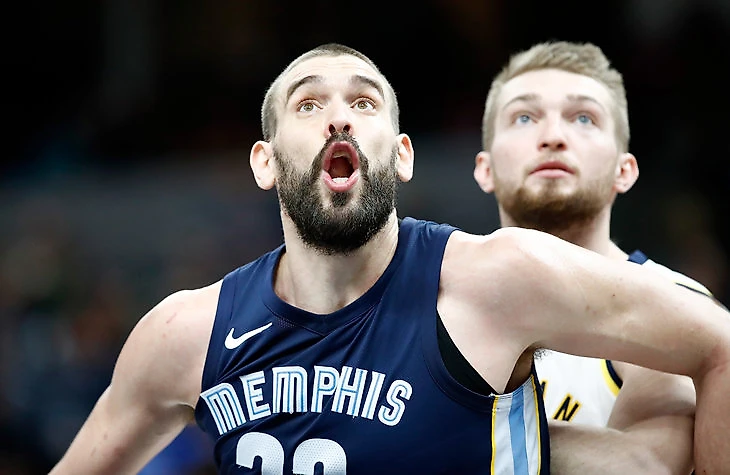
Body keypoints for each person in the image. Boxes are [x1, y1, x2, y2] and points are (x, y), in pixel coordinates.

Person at [50, 43, 730, 475]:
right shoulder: (184, 333)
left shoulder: (498, 278)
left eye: (363, 101)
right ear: (265, 161)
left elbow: (720, 345)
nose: (339, 117)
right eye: (309, 102)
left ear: (402, 154)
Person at [472, 40, 729, 473]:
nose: (552, 137)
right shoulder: (433, 298)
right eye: (524, 117)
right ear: (485, 168)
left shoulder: (675, 302)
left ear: (623, 170)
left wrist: (449, 427)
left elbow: (650, 466)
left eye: (584, 118)